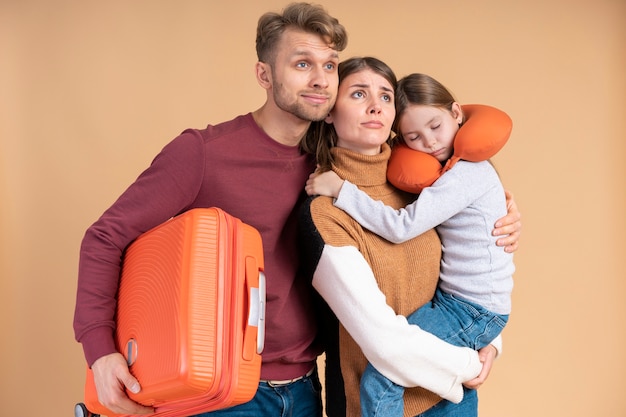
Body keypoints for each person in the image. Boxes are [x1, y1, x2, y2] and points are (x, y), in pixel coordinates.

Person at [73, 3, 521, 416]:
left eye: (329, 66)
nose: (321, 79)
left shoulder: (358, 170)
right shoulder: (205, 154)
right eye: (302, 64)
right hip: (229, 391)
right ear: (264, 75)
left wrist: (499, 228)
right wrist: (100, 348)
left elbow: (462, 257)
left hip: (307, 387)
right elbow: (106, 237)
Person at [299, 57, 519, 417]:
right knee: (380, 380)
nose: (375, 105)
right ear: (328, 110)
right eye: (357, 94)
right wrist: (468, 363)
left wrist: (491, 341)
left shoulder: (420, 185)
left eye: (385, 96)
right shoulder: (325, 210)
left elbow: (472, 256)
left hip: (450, 397)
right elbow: (384, 342)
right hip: (387, 398)